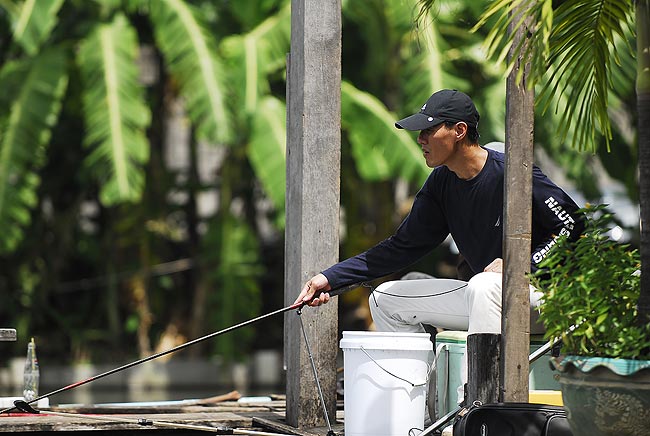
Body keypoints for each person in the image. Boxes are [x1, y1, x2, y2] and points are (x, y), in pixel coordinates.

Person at [294, 89, 584, 338]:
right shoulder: (441, 182)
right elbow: (401, 248)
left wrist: (521, 263)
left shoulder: (513, 172)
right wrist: (330, 279)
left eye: (429, 131)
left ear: (459, 131)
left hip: (542, 300)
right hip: (483, 299)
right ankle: (421, 394)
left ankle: (476, 399)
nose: (420, 139)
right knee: (386, 298)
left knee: (482, 286)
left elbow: (574, 228)